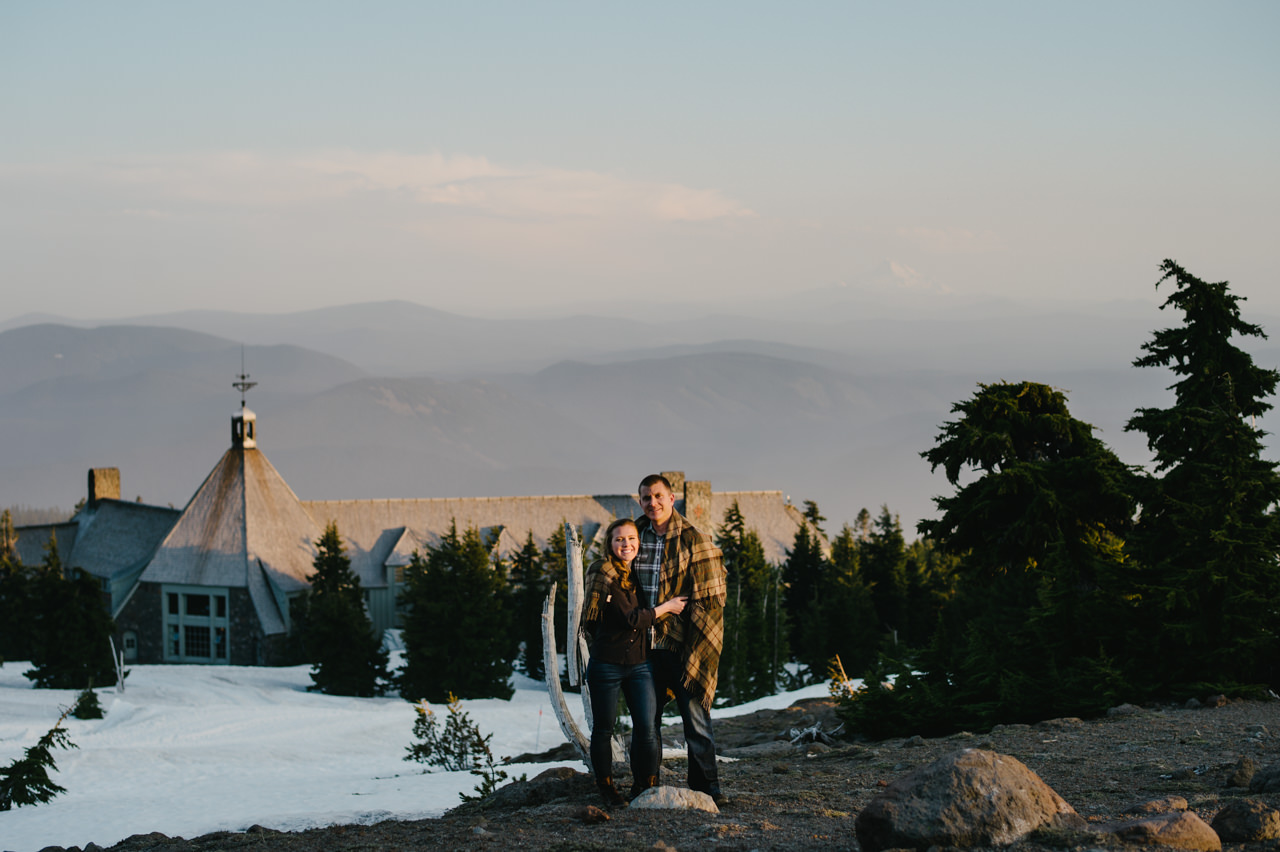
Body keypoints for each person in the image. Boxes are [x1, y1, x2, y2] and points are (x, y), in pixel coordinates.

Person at [633, 473, 729, 806]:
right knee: (647, 721)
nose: (652, 503)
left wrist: (695, 647)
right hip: (644, 644)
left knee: (695, 719)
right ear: (640, 501)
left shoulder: (694, 538)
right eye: (646, 497)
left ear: (672, 499)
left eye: (658, 496)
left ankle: (707, 788)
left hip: (682, 644)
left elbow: (710, 598)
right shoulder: (635, 535)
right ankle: (646, 785)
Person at [582, 517, 688, 806]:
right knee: (604, 728)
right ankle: (606, 787)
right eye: (619, 539)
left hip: (640, 663)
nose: (625, 544)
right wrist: (667, 607)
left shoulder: (639, 575)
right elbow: (630, 619)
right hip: (606, 664)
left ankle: (645, 784)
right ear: (610, 544)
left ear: (638, 543)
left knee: (647, 725)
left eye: (631, 539)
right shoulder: (603, 572)